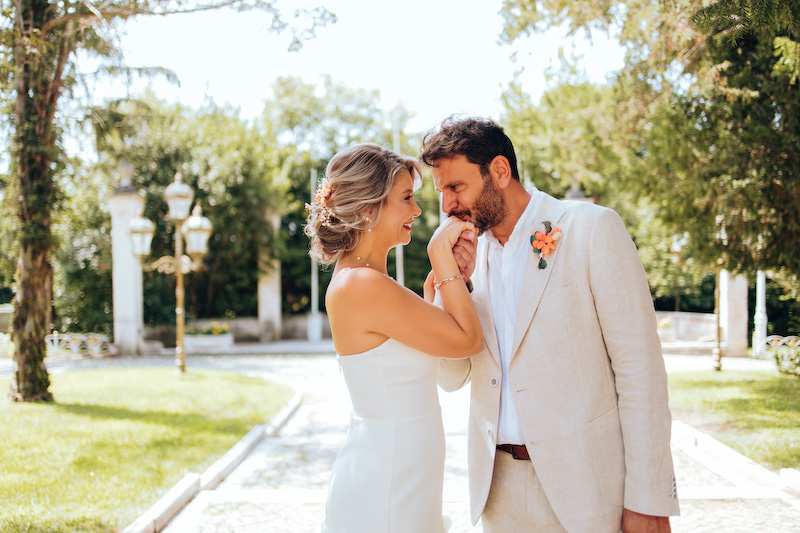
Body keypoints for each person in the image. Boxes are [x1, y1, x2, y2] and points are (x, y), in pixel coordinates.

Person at [420, 117, 680, 533]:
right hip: (497, 493)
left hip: (588, 489)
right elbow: (451, 378)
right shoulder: (466, 261)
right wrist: (454, 284)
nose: (447, 205)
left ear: (500, 172)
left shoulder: (592, 228)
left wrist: (647, 499)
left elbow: (640, 370)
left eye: (456, 187)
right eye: (441, 193)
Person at [305, 143, 484, 533]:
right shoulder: (361, 285)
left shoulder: (370, 284)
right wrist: (440, 255)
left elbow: (445, 366)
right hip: (387, 483)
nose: (417, 211)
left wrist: (445, 287)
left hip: (403, 474)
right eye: (406, 198)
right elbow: (468, 339)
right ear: (369, 208)